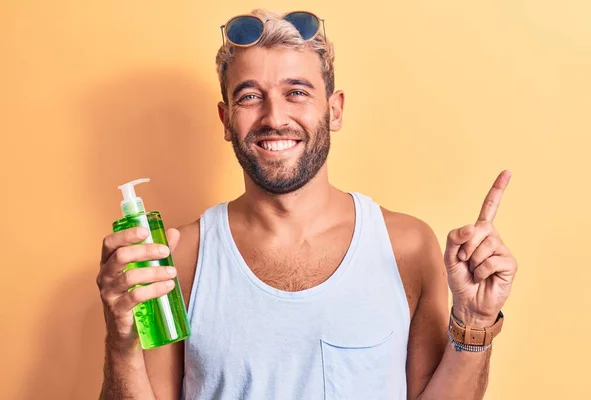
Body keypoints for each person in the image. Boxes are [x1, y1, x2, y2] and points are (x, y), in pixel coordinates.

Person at [97, 8, 518, 400]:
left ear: (334, 111)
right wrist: (121, 341)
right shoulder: (182, 257)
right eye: (249, 97)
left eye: (296, 92)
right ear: (226, 121)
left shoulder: (406, 246)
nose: (274, 117)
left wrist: (475, 321)